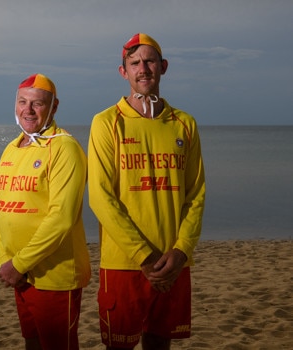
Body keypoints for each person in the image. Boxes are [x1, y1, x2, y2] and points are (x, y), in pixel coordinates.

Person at [88, 33, 206, 350]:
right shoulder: (105, 123)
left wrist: (181, 251)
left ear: (163, 67)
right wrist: (144, 256)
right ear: (123, 71)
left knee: (160, 344)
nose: (143, 69)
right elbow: (100, 197)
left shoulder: (185, 124)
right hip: (123, 263)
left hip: (173, 262)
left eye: (150, 61)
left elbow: (195, 195)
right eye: (134, 62)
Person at [0, 73, 91, 350]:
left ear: (54, 107)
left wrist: (19, 264)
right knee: (32, 343)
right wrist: (5, 261)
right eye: (23, 102)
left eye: (38, 103)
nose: (28, 110)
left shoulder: (64, 148)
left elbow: (62, 219)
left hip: (54, 276)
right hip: (18, 274)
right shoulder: (10, 149)